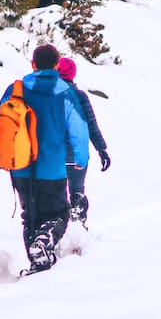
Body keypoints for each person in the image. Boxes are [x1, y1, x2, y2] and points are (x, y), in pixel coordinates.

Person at [0, 43, 89, 274]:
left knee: (30, 217)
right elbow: (79, 131)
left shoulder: (15, 89)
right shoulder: (65, 92)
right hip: (52, 168)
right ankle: (44, 244)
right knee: (59, 214)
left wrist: (1, 155)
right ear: (56, 65)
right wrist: (81, 159)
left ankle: (39, 263)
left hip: (20, 167)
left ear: (33, 64)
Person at [57, 57, 111, 226]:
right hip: (76, 155)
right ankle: (78, 228)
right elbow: (91, 125)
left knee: (58, 194)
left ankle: (59, 228)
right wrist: (101, 149)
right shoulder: (80, 96)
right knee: (77, 191)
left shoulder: (49, 97)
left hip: (54, 155)